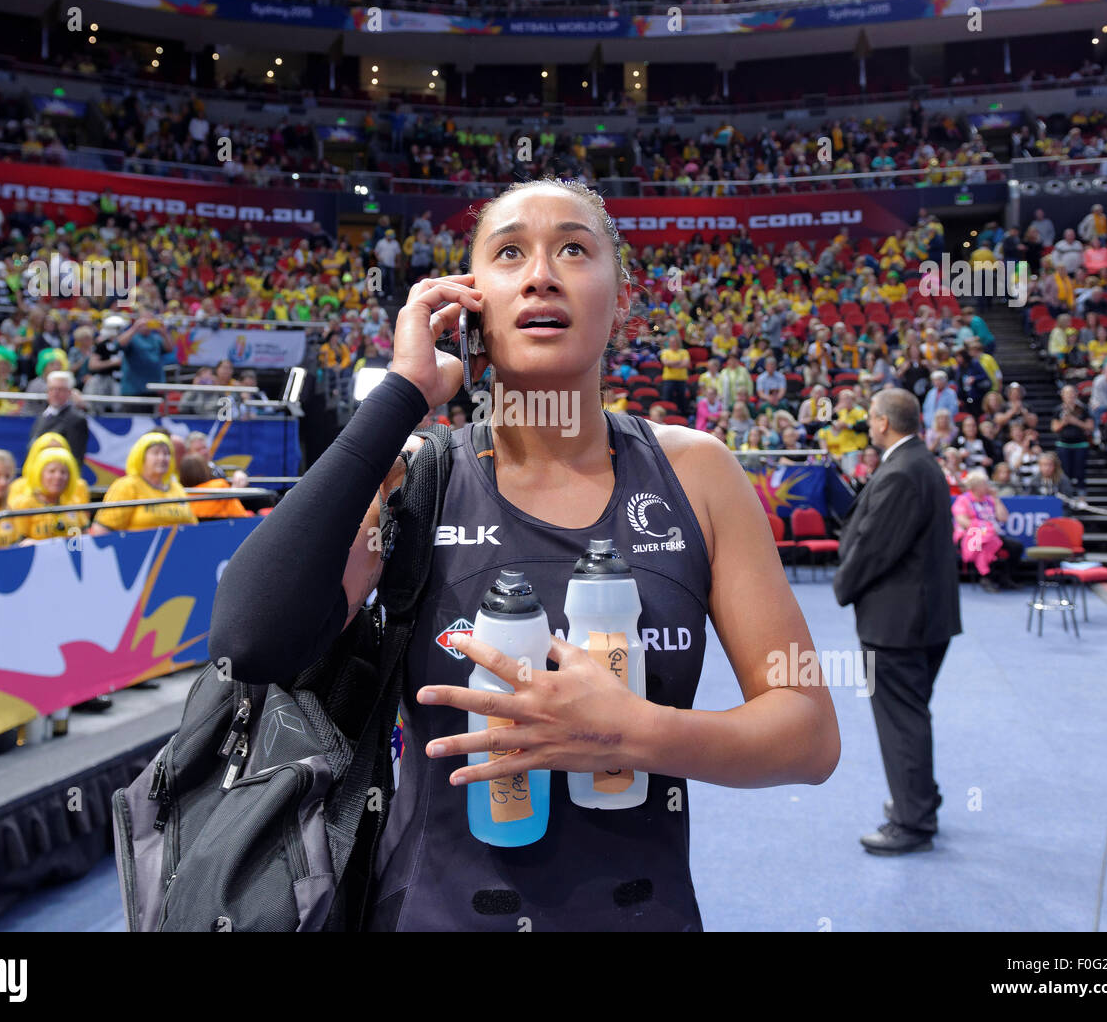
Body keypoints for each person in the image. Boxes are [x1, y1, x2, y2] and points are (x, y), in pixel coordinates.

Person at [210, 175, 839, 931]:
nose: (542, 272)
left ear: (622, 298)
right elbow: (248, 640)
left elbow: (807, 733)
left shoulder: (697, 472)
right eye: (510, 253)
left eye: (574, 248)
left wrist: (629, 732)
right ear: (469, 301)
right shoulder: (417, 471)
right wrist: (402, 394)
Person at [833, 387, 962, 856]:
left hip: (899, 624)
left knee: (901, 721)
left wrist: (842, 584)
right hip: (923, 619)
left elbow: (874, 546)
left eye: (871, 416)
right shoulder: (919, 463)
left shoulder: (903, 471)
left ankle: (912, 820)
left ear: (884, 422)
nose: (868, 423)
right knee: (912, 715)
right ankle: (918, 798)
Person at [89, 431, 196, 534]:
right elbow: (101, 530)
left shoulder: (176, 487)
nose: (162, 458)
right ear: (141, 457)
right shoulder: (127, 485)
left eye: (167, 453)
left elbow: (193, 525)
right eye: (156, 453)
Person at [951, 469, 1024, 593]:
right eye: (984, 484)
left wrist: (996, 499)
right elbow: (964, 522)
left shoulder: (989, 499)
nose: (988, 486)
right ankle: (986, 577)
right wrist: (984, 529)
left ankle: (1004, 578)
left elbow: (1003, 518)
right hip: (970, 536)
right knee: (986, 543)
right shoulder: (963, 500)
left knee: (1016, 547)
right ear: (975, 486)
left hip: (991, 535)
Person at [28, 371, 88, 465]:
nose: (55, 393)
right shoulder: (44, 415)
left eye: (60, 389)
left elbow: (76, 457)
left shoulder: (76, 419)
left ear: (69, 392)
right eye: (52, 389)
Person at [1050, 384, 1092, 494]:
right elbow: (1054, 427)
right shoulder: (1058, 410)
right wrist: (1064, 422)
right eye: (1066, 393)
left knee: (1080, 472)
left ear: (1076, 394)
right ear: (1062, 395)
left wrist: (1075, 421)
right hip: (1063, 445)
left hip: (1080, 444)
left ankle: (1081, 495)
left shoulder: (1083, 408)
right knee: (1064, 472)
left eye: (1071, 393)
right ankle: (1066, 494)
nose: (1069, 396)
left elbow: (1090, 426)